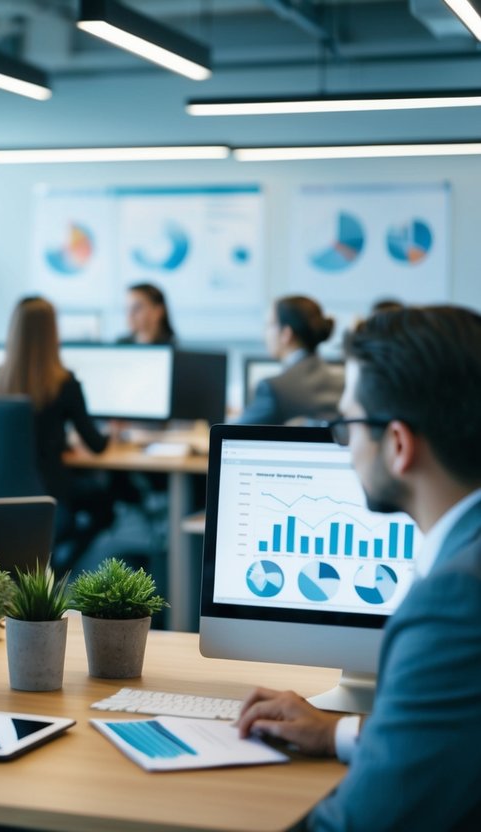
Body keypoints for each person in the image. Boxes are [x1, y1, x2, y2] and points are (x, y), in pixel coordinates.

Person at [236, 305, 481, 830]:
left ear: (397, 444)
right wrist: (338, 732)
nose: (344, 450)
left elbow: (358, 824)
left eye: (348, 426)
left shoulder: (455, 600)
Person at [0, 297, 111, 572]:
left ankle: (48, 568)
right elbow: (96, 445)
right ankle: (62, 567)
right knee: (105, 505)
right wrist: (114, 432)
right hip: (49, 496)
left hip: (0, 497)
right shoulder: (64, 382)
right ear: (53, 332)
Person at [238, 295, 342, 425]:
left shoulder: (274, 388)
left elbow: (232, 435)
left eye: (269, 325)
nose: (265, 334)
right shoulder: (343, 380)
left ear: (286, 334)